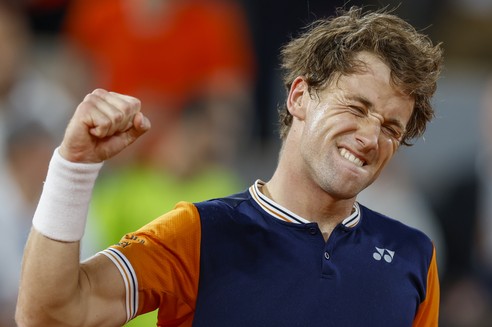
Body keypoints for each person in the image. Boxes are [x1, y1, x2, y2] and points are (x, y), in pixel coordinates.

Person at [15, 6, 444, 327]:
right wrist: (73, 167)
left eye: (390, 127)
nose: (371, 137)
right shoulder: (197, 234)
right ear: (299, 97)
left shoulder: (414, 256)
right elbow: (50, 314)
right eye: (356, 106)